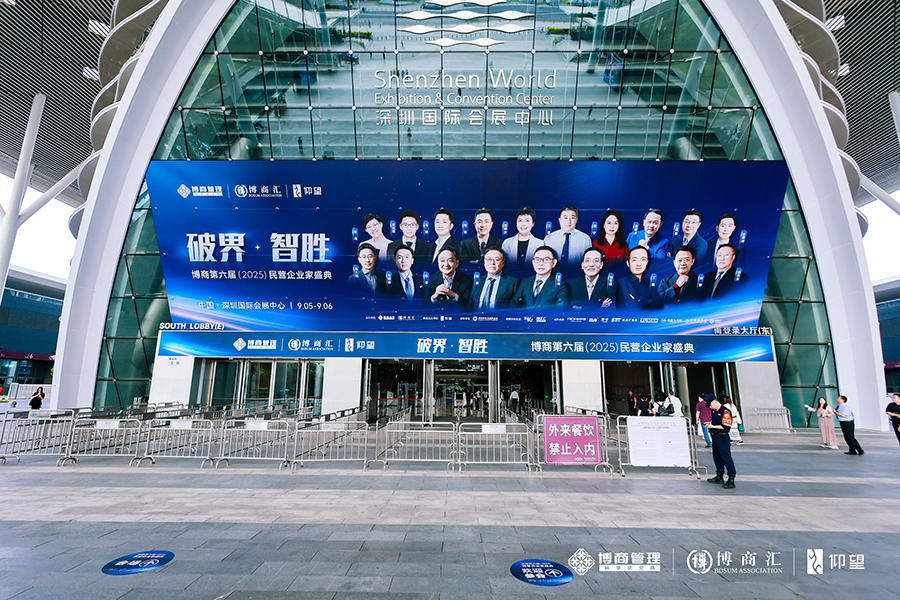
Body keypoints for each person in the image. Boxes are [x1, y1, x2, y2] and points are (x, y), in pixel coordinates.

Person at [704, 395, 736, 488]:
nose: (710, 408)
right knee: (717, 457)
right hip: (715, 437)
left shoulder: (725, 411)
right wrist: (710, 424)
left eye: (710, 405)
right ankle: (719, 475)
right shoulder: (714, 411)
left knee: (726, 458)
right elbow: (715, 422)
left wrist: (712, 426)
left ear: (715, 402)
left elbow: (726, 426)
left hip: (723, 437)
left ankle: (731, 478)